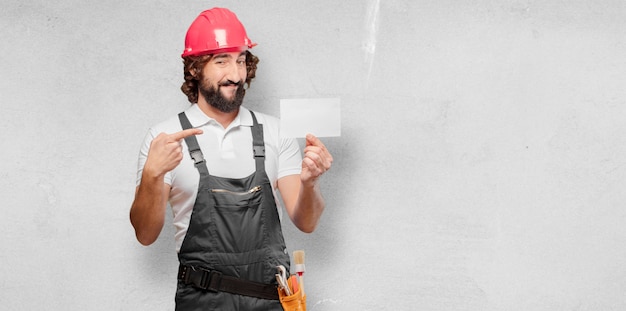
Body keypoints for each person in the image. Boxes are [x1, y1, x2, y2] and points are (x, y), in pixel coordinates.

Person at [129, 7, 332, 310]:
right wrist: (152, 175)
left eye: (240, 60)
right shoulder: (165, 137)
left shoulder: (276, 132)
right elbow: (145, 235)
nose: (235, 74)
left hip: (270, 300)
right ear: (195, 68)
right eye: (221, 61)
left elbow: (307, 222)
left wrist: (311, 182)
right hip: (201, 301)